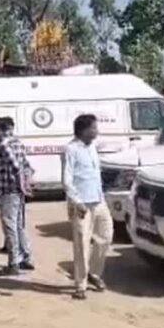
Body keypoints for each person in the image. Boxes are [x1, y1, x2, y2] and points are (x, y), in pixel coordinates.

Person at [62, 114, 113, 300]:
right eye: (93, 128)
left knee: (105, 237)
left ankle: (94, 273)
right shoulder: (70, 150)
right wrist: (77, 202)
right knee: (82, 244)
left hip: (98, 201)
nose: (96, 131)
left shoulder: (92, 147)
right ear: (83, 130)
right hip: (81, 204)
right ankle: (80, 284)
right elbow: (67, 180)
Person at [0, 116, 35, 276]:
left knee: (9, 226)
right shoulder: (18, 143)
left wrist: (21, 183)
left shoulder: (3, 145)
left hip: (9, 189)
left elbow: (15, 165)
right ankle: (25, 257)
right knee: (19, 225)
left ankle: (13, 262)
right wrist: (26, 183)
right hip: (17, 191)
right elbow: (26, 165)